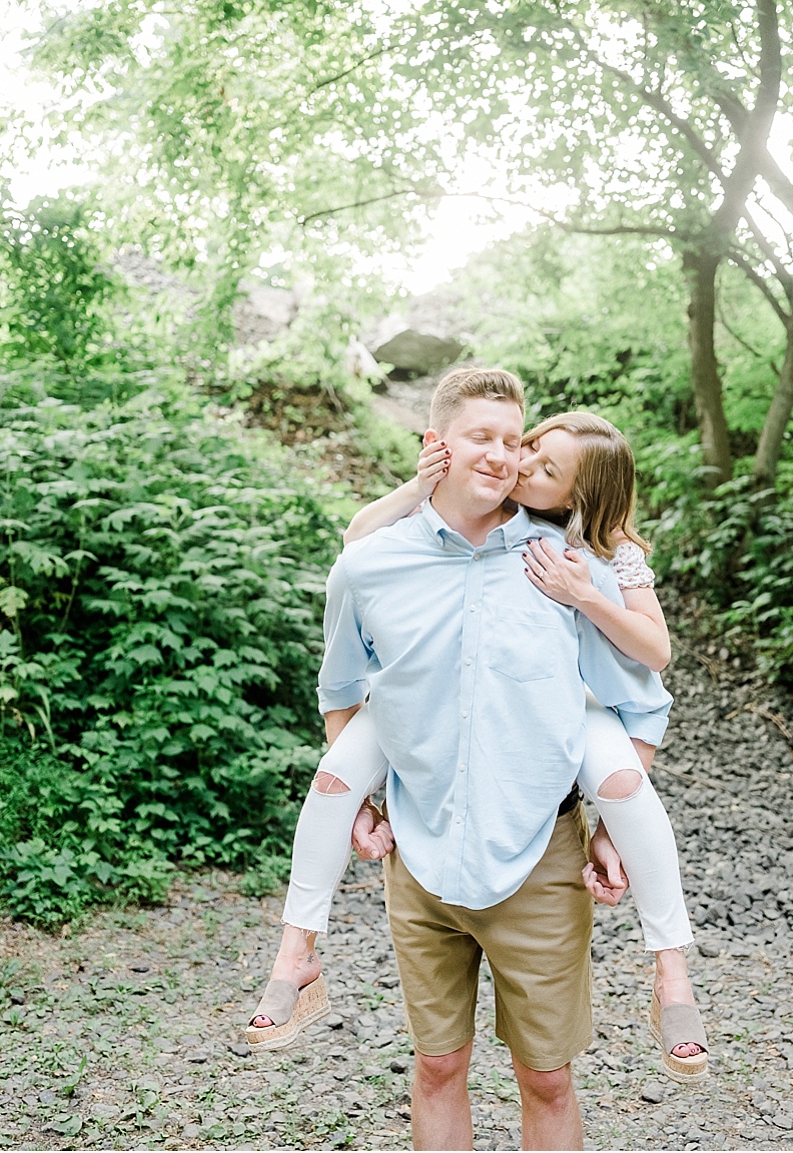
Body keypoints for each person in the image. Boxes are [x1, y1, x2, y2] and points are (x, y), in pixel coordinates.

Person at [247, 389, 709, 1111]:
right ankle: (295, 951)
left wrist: (584, 596)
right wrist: (419, 484)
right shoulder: (382, 554)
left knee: (622, 783)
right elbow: (354, 557)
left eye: (531, 454)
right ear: (440, 442)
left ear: (575, 494)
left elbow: (649, 666)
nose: (514, 461)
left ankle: (671, 969)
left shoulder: (577, 559)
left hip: (564, 740)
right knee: (334, 778)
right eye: (512, 443)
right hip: (418, 795)